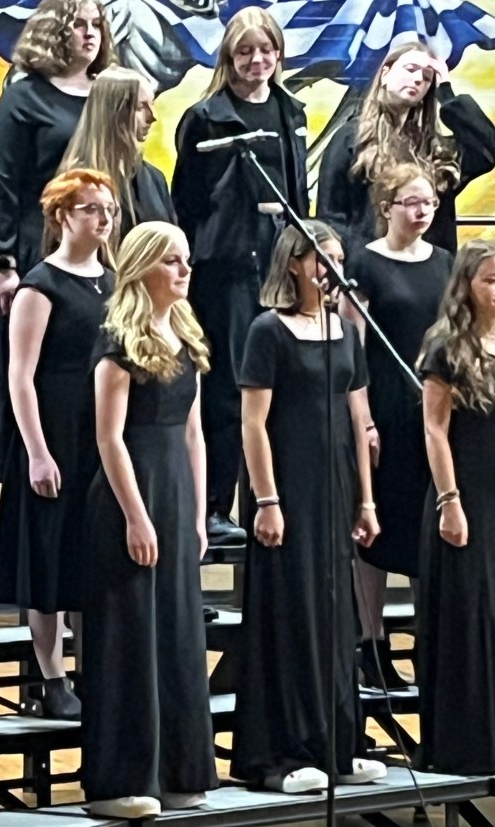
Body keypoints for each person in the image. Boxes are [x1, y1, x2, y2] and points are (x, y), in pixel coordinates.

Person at [231, 221, 386, 794]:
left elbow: (359, 418)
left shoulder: (346, 328)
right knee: (291, 613)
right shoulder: (268, 330)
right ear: (295, 262)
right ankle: (281, 754)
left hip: (335, 488)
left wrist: (366, 500)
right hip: (287, 489)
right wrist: (266, 500)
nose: (332, 268)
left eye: (338, 258)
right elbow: (253, 424)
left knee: (335, 617)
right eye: (323, 258)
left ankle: (338, 746)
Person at [83, 221, 218, 819]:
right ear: (141, 268)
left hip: (175, 495)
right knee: (130, 636)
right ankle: (120, 780)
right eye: (171, 261)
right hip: (128, 497)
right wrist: (136, 518)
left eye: (185, 259)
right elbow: (109, 438)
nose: (184, 270)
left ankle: (179, 770)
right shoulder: (118, 341)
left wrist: (198, 514)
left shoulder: (184, 335)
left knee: (178, 633)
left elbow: (194, 432)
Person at [172, 7, 308, 546]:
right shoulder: (206, 117)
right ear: (228, 57)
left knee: (282, 385)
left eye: (266, 50)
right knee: (229, 388)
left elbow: (297, 194)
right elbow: (187, 203)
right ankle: (214, 505)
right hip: (226, 269)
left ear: (279, 55)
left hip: (279, 266)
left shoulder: (290, 112)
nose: (257, 61)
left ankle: (271, 499)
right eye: (245, 51)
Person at [0, 169, 116, 720]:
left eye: (108, 209)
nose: (103, 218)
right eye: (91, 209)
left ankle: (94, 670)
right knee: (47, 558)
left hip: (100, 433)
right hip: (53, 432)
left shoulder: (114, 282)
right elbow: (19, 377)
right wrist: (38, 452)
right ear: (63, 216)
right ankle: (51, 676)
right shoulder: (40, 286)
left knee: (91, 557)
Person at [0, 0, 114, 482]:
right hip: (36, 249)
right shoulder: (24, 98)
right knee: (34, 366)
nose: (90, 34)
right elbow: (0, 181)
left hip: (99, 253)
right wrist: (1, 260)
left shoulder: (106, 94)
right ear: (55, 31)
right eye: (79, 25)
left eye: (97, 25)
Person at [341, 163, 453, 688]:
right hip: (384, 407)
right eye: (411, 202)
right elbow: (352, 350)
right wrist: (363, 420)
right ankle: (371, 642)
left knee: (426, 524)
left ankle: (431, 643)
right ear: (386, 208)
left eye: (428, 202)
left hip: (431, 410)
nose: (422, 210)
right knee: (378, 528)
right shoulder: (364, 262)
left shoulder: (445, 263)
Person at [417, 240, 495, 776]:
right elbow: (434, 430)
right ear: (467, 286)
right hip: (467, 495)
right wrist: (450, 501)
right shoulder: (447, 347)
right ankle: (468, 745)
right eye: (491, 280)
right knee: (474, 618)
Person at [317, 41, 495, 256]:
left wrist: (445, 92)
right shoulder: (352, 137)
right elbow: (331, 215)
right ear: (385, 74)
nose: (418, 79)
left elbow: (485, 147)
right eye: (410, 69)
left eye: (427, 77)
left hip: (430, 267)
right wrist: (359, 260)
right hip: (371, 265)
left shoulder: (435, 149)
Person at [59, 66, 175, 241]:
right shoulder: (77, 182)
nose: (152, 117)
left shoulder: (154, 178)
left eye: (152, 104)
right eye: (141, 107)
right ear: (113, 112)